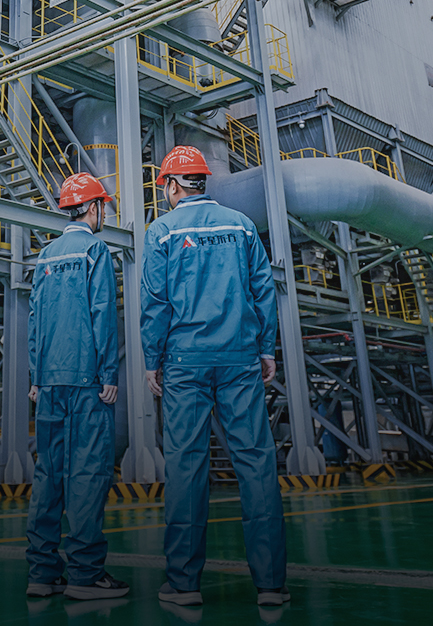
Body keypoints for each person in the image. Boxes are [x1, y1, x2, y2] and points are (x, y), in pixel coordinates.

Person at [141, 145, 289, 607]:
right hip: (240, 358)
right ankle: (271, 585)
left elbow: (155, 303)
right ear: (203, 181)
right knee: (256, 464)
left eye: (164, 185)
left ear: (172, 185)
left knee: (186, 467)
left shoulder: (162, 231)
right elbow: (263, 290)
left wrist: (152, 359)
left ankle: (184, 585)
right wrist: (266, 349)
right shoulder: (241, 225)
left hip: (184, 363)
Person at [24, 172, 131, 601]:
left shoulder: (45, 256)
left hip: (49, 382)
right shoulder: (94, 251)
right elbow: (102, 314)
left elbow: (35, 320)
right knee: (86, 473)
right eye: (103, 205)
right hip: (87, 381)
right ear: (93, 207)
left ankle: (42, 573)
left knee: (48, 474)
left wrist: (36, 376)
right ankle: (85, 576)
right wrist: (109, 374)